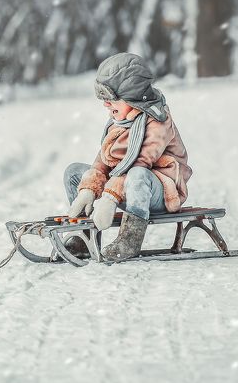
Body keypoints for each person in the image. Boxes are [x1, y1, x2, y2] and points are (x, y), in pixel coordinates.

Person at [63, 52, 193, 263]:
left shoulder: (158, 120)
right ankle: (83, 237)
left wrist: (110, 197)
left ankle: (129, 240)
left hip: (156, 191)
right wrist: (89, 189)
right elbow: (102, 162)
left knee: (138, 173)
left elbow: (140, 161)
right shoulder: (119, 122)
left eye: (111, 99)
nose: (106, 105)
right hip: (123, 188)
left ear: (133, 97)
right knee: (74, 172)